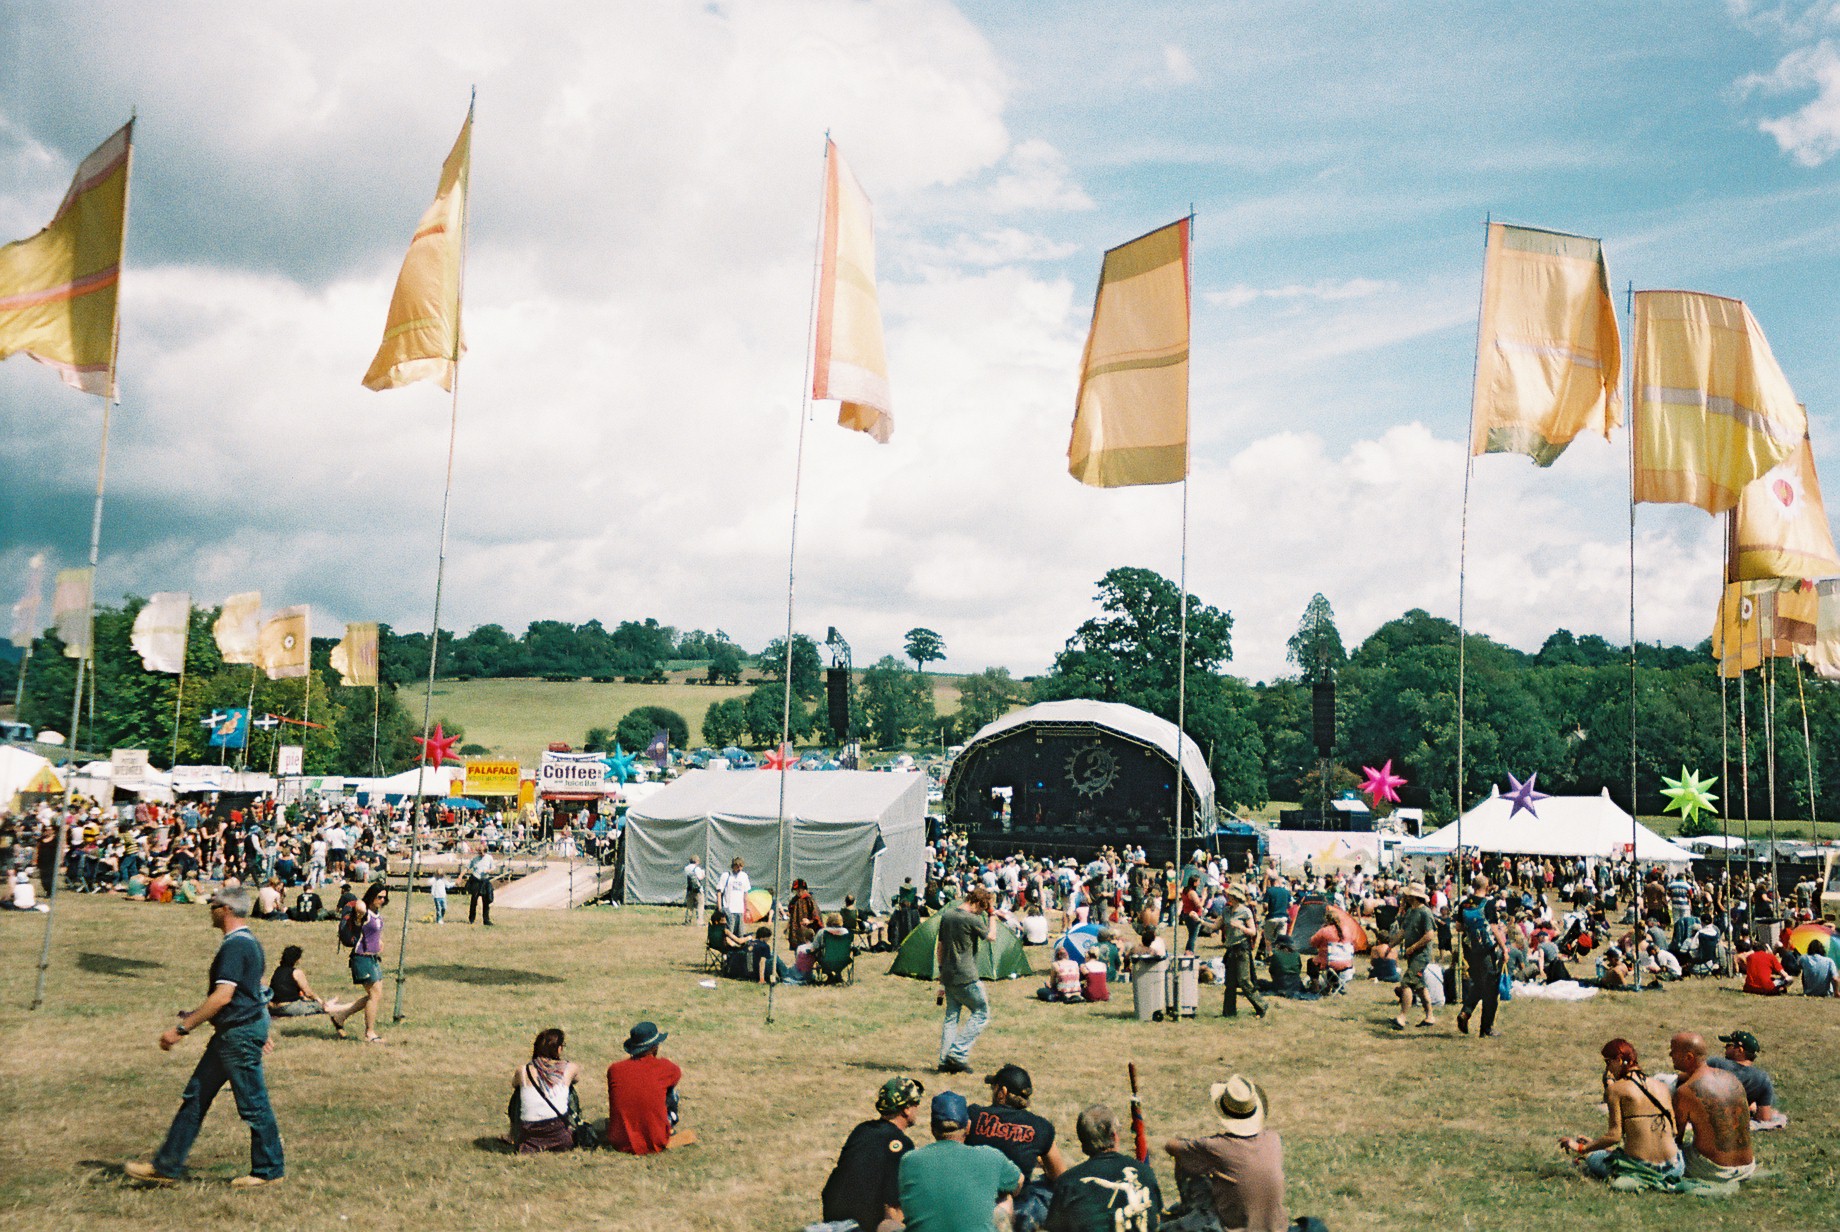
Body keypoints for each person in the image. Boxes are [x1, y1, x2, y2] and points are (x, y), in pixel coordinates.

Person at [125, 886, 284, 1188]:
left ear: (226, 910)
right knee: (196, 1095)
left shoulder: (236, 946)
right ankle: (166, 1166)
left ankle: (269, 1169)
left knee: (253, 1103)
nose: (209, 910)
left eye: (213, 905)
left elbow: (223, 996)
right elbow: (257, 991)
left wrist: (181, 1029)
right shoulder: (250, 942)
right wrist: (260, 1030)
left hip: (236, 1036)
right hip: (236, 1033)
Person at [1163, 1074, 1288, 1232]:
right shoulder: (1273, 1138)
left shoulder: (1216, 1146)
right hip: (1277, 1228)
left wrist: (1187, 1143)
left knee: (1189, 1164)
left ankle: (1187, 1210)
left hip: (1233, 1229)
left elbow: (1172, 1147)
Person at [898, 1091, 1023, 1232]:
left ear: (932, 1128)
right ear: (968, 1127)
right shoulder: (990, 1156)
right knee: (1006, 1199)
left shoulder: (909, 1160)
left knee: (886, 1225)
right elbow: (1018, 1182)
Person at [1558, 1039, 1682, 1180]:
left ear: (1618, 1060)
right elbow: (1674, 1131)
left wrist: (1582, 1148)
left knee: (1595, 1157)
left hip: (1641, 1168)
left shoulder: (1616, 1090)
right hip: (1675, 1167)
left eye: (1608, 1062)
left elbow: (1614, 1136)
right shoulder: (1662, 1087)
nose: (1608, 1069)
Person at [968, 1064, 1068, 1232]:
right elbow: (1060, 1176)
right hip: (1018, 1207)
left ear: (1003, 1092)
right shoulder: (1040, 1127)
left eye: (994, 1088)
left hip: (976, 1201)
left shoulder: (973, 1115)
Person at [820, 1076, 924, 1232]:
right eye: (916, 1103)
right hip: (862, 1226)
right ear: (907, 1109)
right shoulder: (902, 1145)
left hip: (832, 1218)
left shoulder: (862, 1130)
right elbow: (894, 1207)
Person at [1045, 1104, 1162, 1232]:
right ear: (1114, 1135)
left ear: (1083, 1143)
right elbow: (1156, 1219)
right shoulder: (1145, 1172)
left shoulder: (1067, 1183)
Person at [1669, 1032, 1755, 1183]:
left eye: (1673, 1050)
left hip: (1716, 1170)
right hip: (1747, 1166)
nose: (1670, 1054)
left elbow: (1675, 1137)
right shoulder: (1730, 1078)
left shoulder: (1686, 1091)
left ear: (1689, 1057)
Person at [606, 1020, 695, 1154]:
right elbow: (676, 1075)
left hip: (619, 1142)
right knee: (670, 1093)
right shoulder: (665, 1068)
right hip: (655, 1140)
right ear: (654, 1047)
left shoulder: (614, 1069)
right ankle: (668, 1126)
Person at [936, 888, 997, 1074]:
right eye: (983, 908)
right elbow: (992, 937)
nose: (983, 912)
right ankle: (957, 1053)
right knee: (982, 1013)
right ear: (980, 903)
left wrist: (941, 973)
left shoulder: (947, 916)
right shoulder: (972, 919)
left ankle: (944, 1061)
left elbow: (940, 946)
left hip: (948, 974)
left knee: (951, 1018)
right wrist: (992, 914)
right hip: (966, 975)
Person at [509, 1028, 583, 1153]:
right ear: (558, 1049)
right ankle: (574, 1127)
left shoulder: (523, 1070)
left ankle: (512, 1134)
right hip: (560, 1134)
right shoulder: (570, 1068)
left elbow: (514, 1084)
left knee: (518, 1093)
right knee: (570, 1089)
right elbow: (576, 1080)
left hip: (530, 1133)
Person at [333, 882, 388, 1044]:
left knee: (375, 995)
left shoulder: (376, 913)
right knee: (374, 995)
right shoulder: (363, 912)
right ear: (372, 896)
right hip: (361, 957)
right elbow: (359, 905)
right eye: (379, 897)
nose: (382, 900)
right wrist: (365, 900)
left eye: (384, 898)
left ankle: (340, 1016)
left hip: (373, 958)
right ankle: (369, 1033)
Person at [1455, 876, 1505, 1036]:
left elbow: (1458, 927)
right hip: (1486, 951)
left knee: (1478, 983)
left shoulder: (1465, 904)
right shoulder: (1488, 904)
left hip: (1470, 950)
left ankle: (1466, 1012)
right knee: (1490, 989)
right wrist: (1504, 948)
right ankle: (1486, 1028)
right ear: (1488, 887)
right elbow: (1494, 929)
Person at [1708, 1030, 1785, 1130]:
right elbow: (1764, 1118)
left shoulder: (1716, 1063)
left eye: (1728, 1045)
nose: (1725, 1048)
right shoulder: (1762, 1079)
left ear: (1739, 1050)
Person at [265, 945, 358, 1024]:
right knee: (323, 1007)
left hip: (273, 1008)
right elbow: (308, 993)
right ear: (296, 960)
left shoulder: (278, 970)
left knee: (308, 1002)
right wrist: (320, 1001)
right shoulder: (296, 972)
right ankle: (349, 1007)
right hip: (288, 1007)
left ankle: (332, 1002)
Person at [1391, 882, 1436, 1029]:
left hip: (1421, 955)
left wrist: (1413, 948)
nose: (1405, 896)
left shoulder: (1425, 912)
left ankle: (1402, 1017)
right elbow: (1403, 932)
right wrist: (1390, 946)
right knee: (1419, 985)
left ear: (1414, 896)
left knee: (1406, 983)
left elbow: (1430, 935)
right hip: (1412, 954)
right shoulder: (1410, 911)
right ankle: (1430, 1016)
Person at [1219, 884, 1267, 1019]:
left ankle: (1261, 1006)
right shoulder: (1226, 911)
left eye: (1230, 895)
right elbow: (1215, 925)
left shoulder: (1245, 911)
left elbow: (1253, 932)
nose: (1227, 896)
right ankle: (1229, 1013)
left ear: (1235, 897)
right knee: (1229, 984)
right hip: (1231, 950)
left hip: (1242, 949)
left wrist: (1240, 926)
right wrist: (1199, 920)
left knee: (1244, 981)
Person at [717, 857, 750, 937]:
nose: (739, 869)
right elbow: (719, 892)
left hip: (740, 910)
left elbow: (746, 894)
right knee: (729, 933)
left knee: (740, 934)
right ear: (733, 866)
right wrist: (719, 908)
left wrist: (747, 910)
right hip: (729, 909)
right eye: (737, 866)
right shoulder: (726, 876)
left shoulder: (744, 876)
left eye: (741, 867)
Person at [466, 848, 495, 925]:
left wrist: (489, 871)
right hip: (476, 880)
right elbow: (467, 867)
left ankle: (486, 920)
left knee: (486, 901)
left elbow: (493, 868)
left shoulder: (489, 858)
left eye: (482, 852)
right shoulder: (475, 859)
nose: (480, 854)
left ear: (485, 851)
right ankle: (471, 919)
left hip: (485, 881)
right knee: (473, 900)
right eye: (479, 852)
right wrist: (460, 876)